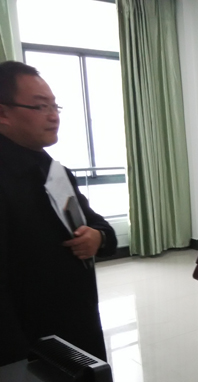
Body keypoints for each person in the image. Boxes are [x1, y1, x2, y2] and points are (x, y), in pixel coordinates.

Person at [0, 61, 118, 366]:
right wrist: (15, 367)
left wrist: (97, 237)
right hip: (28, 350)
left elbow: (100, 227)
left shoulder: (55, 171)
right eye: (41, 106)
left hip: (77, 329)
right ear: (3, 113)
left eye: (55, 106)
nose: (54, 116)